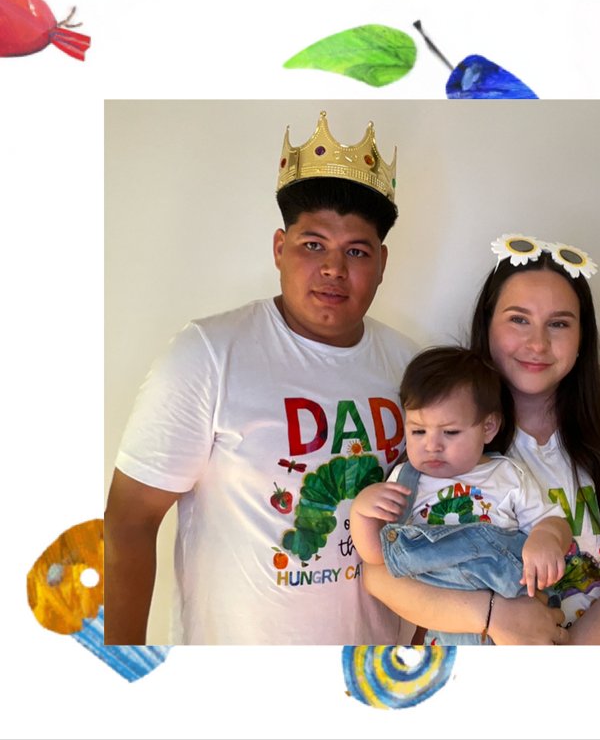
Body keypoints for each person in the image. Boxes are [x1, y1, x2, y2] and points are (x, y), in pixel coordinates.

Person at [105, 114, 420, 645]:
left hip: (380, 679)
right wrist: (123, 671)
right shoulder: (209, 354)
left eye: (357, 252)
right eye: (313, 245)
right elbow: (129, 522)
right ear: (280, 248)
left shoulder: (411, 367)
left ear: (382, 262)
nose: (333, 269)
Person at [351, 234, 600, 645]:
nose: (537, 343)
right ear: (487, 322)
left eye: (559, 323)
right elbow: (381, 574)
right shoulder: (447, 435)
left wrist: (555, 671)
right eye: (518, 319)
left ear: (583, 335)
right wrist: (494, 617)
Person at [347, 346, 571, 645]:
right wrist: (361, 513)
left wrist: (546, 537)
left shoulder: (507, 475)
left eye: (450, 432)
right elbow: (380, 557)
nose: (432, 445)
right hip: (446, 623)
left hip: (515, 611)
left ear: (488, 427)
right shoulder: (406, 480)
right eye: (417, 432)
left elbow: (554, 522)